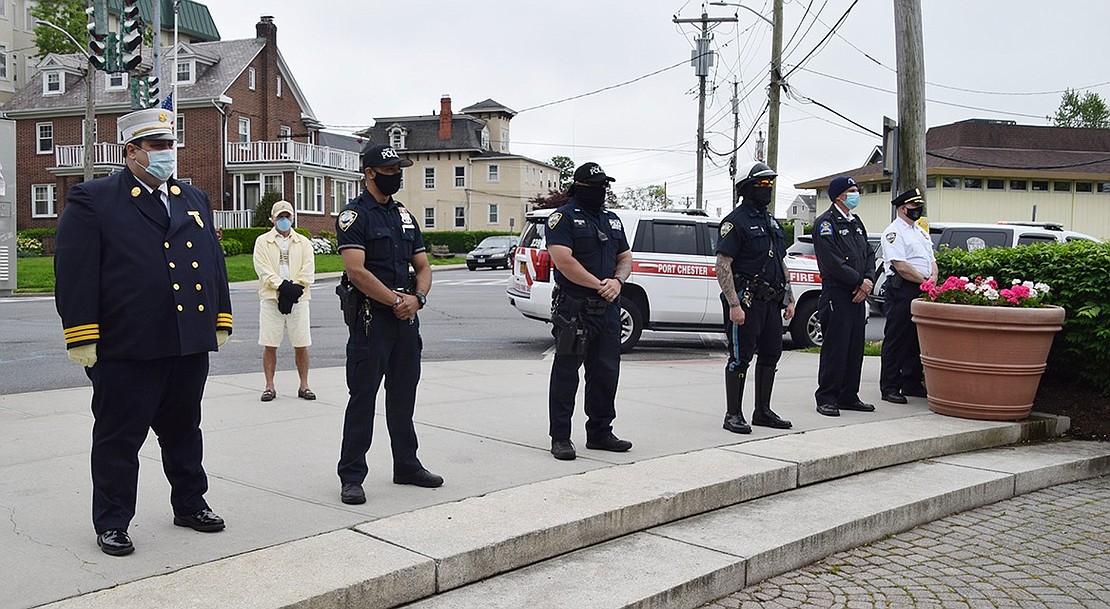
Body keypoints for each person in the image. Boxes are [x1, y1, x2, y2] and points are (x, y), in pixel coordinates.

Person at [54, 108, 232, 557]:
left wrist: (220, 316)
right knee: (119, 438)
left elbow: (213, 261)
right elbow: (74, 272)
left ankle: (190, 503)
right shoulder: (94, 199)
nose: (166, 154)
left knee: (185, 430)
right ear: (131, 151)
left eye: (170, 145)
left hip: (186, 340)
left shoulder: (193, 198)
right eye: (157, 147)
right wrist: (81, 333)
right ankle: (113, 520)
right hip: (127, 344)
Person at [335, 144, 441, 505]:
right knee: (363, 398)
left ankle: (407, 465)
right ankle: (351, 475)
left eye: (399, 169)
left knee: (403, 396)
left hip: (405, 321)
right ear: (370, 173)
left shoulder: (403, 216)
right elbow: (356, 271)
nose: (397, 174)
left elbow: (424, 266)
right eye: (390, 169)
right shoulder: (354, 216)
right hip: (371, 322)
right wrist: (395, 300)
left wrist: (417, 299)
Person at [546, 162, 634, 461]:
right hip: (575, 310)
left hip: (608, 310)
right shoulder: (563, 218)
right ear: (580, 187)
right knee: (566, 374)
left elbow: (625, 256)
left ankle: (600, 432)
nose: (602, 192)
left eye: (604, 187)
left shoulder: (612, 220)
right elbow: (563, 260)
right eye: (596, 187)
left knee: (605, 373)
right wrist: (599, 284)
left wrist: (618, 281)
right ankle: (560, 437)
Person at [715, 161, 795, 434]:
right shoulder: (735, 222)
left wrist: (789, 297)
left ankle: (762, 410)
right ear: (746, 188)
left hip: (771, 302)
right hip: (745, 302)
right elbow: (723, 265)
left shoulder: (771, 221)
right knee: (740, 357)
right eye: (762, 184)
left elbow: (781, 261)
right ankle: (733, 414)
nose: (768, 188)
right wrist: (734, 304)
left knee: (772, 354)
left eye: (770, 183)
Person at [812, 176, 876, 417]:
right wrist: (859, 281)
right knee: (836, 347)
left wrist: (867, 282)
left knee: (854, 347)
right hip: (837, 293)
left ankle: (849, 395)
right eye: (851, 190)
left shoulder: (855, 222)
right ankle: (827, 396)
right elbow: (832, 262)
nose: (856, 194)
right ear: (839, 195)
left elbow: (868, 253)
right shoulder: (826, 223)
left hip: (859, 294)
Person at [253, 200, 316, 402]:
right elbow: (263, 270)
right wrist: (281, 287)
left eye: (287, 216)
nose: (284, 220)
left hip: (299, 299)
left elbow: (308, 272)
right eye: (280, 216)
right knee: (270, 343)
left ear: (293, 218)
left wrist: (293, 290)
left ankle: (304, 385)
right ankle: (269, 386)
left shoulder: (303, 242)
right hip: (271, 299)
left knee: (301, 343)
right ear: (272, 219)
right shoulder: (262, 241)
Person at [879, 187, 937, 404]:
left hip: (922, 289)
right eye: (914, 207)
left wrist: (932, 278)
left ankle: (911, 382)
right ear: (903, 208)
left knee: (916, 339)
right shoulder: (893, 232)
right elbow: (901, 266)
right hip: (903, 289)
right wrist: (924, 282)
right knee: (897, 338)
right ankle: (890, 386)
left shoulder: (920, 232)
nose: (918, 210)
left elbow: (931, 260)